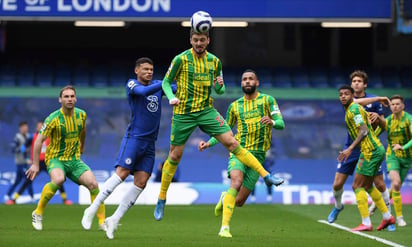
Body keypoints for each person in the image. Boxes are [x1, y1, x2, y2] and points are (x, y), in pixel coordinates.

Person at [153, 26, 283, 222]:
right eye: (195, 40)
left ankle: (266, 175)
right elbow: (165, 83)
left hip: (206, 111)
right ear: (191, 41)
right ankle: (162, 198)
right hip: (183, 112)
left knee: (232, 142)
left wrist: (219, 85)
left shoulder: (215, 62)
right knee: (175, 155)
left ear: (208, 41)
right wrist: (171, 97)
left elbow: (220, 91)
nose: (198, 43)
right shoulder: (180, 59)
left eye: (202, 40)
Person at [81, 58, 176, 239]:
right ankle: (91, 209)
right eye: (146, 69)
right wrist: (164, 84)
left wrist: (200, 84)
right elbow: (145, 91)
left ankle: (114, 220)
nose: (149, 72)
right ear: (136, 70)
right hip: (134, 138)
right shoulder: (132, 84)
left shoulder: (157, 85)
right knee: (122, 173)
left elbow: (179, 89)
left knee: (141, 182)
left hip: (150, 143)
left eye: (151, 69)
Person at [198, 69, 285, 238]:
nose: (247, 81)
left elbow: (281, 123)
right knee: (236, 182)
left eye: (251, 79)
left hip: (259, 156)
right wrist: (209, 142)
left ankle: (225, 198)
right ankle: (224, 228)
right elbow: (225, 130)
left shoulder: (268, 100)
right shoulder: (234, 106)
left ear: (257, 83)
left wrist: (273, 121)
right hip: (239, 151)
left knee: (239, 201)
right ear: (241, 83)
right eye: (244, 79)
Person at [25, 85, 105, 231]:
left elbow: (83, 131)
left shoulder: (82, 115)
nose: (69, 99)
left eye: (72, 96)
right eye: (66, 96)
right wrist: (35, 165)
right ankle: (37, 213)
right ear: (60, 99)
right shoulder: (52, 119)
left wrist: (82, 147)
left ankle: (102, 223)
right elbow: (38, 141)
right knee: (58, 179)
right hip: (56, 159)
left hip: (74, 160)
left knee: (93, 184)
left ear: (76, 98)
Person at [328, 70, 392, 224]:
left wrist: (378, 119)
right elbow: (357, 105)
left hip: (369, 146)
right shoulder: (350, 102)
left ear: (364, 84)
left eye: (359, 81)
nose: (356, 83)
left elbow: (384, 126)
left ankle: (385, 217)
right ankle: (338, 206)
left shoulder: (368, 104)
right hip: (351, 145)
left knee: (378, 184)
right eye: (353, 81)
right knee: (338, 184)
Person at [7, 121, 73, 205]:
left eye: (42, 126)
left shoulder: (50, 136)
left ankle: (65, 199)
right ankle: (14, 199)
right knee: (27, 181)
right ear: (36, 127)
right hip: (36, 163)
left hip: (48, 162)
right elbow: (23, 148)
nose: (40, 128)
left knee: (58, 180)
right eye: (38, 126)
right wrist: (26, 158)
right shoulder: (32, 137)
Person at [372, 94, 412, 227]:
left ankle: (378, 204)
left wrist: (403, 147)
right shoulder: (387, 121)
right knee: (396, 183)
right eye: (392, 104)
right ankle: (399, 217)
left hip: (407, 158)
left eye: (397, 104)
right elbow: (375, 135)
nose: (394, 106)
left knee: (396, 186)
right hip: (392, 155)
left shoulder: (409, 120)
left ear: (403, 106)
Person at [5, 121, 34, 204]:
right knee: (28, 179)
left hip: (26, 163)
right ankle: (31, 197)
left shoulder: (29, 137)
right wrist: (23, 149)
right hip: (20, 163)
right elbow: (13, 149)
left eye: (27, 127)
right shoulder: (17, 137)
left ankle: (7, 195)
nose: (26, 129)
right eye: (24, 127)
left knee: (18, 181)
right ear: (20, 128)